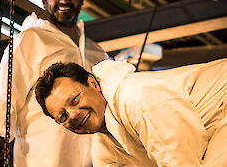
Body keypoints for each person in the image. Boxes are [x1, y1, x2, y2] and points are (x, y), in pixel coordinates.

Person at [0, 0, 107, 167]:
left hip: (95, 160)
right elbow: (6, 98)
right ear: (43, 0)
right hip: (43, 159)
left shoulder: (97, 52)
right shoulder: (30, 40)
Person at [35, 59, 227, 167]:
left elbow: (182, 162)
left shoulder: (136, 98)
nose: (73, 115)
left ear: (92, 83)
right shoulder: (104, 149)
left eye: (75, 100)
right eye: (62, 117)